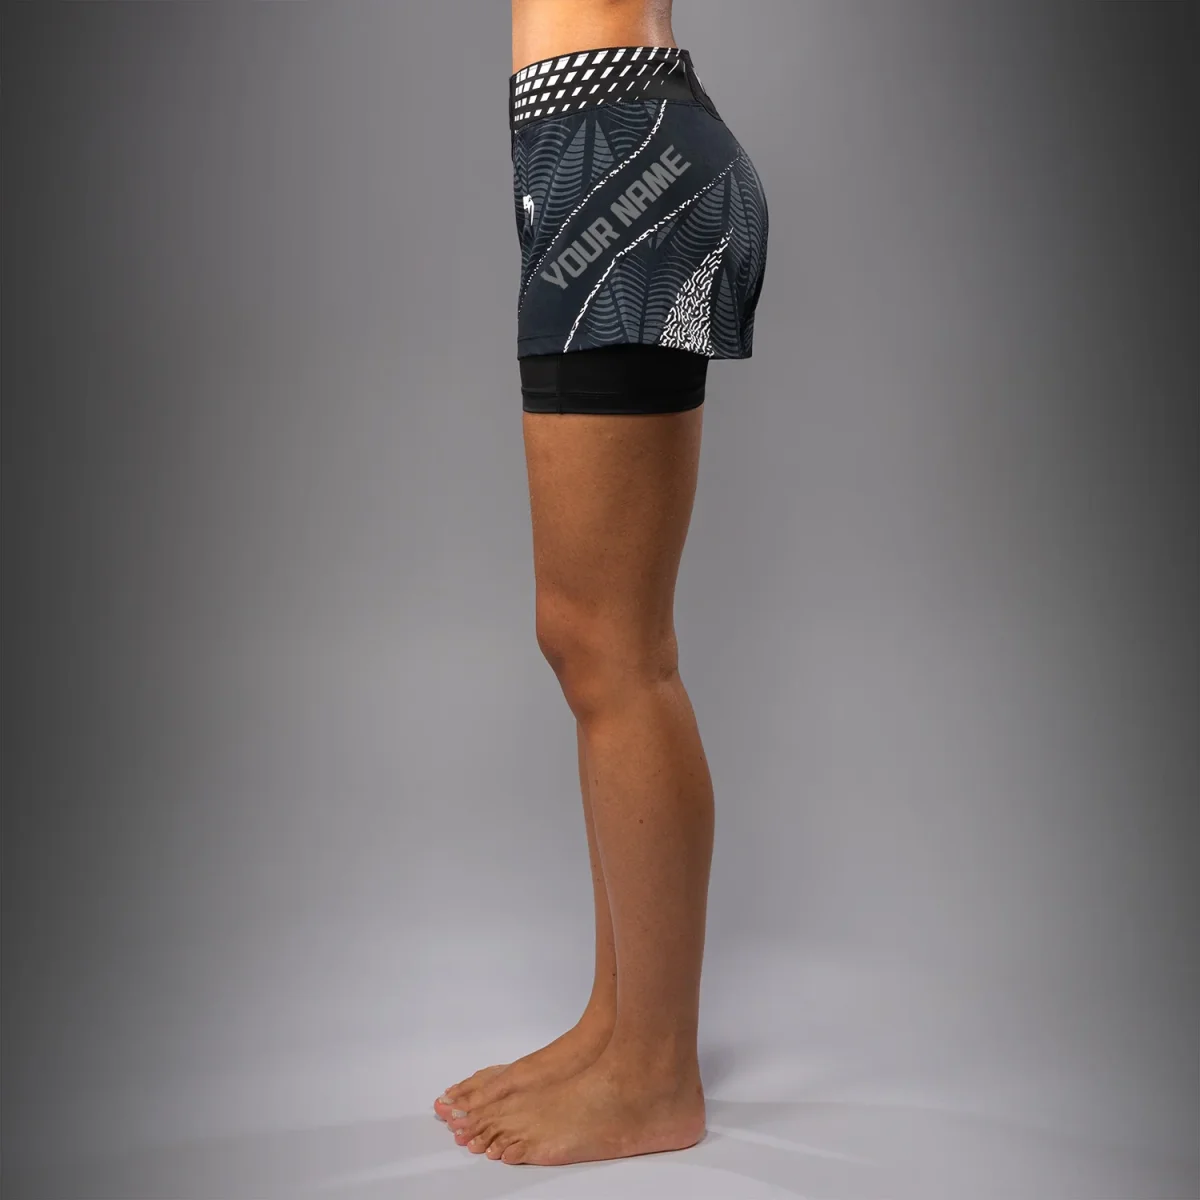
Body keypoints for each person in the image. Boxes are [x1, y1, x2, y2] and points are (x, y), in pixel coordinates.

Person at [432, 0, 768, 1167]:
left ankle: (655, 1076)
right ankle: (617, 1026)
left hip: (619, 151)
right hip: (591, 147)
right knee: (589, 643)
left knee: (612, 646)